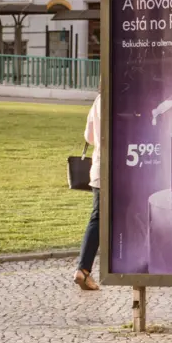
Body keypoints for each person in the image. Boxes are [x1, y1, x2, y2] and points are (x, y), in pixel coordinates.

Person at [73, 93, 102, 291]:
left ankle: (83, 269)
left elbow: (89, 137)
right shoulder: (125, 96)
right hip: (123, 169)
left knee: (97, 218)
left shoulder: (98, 100)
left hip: (99, 168)